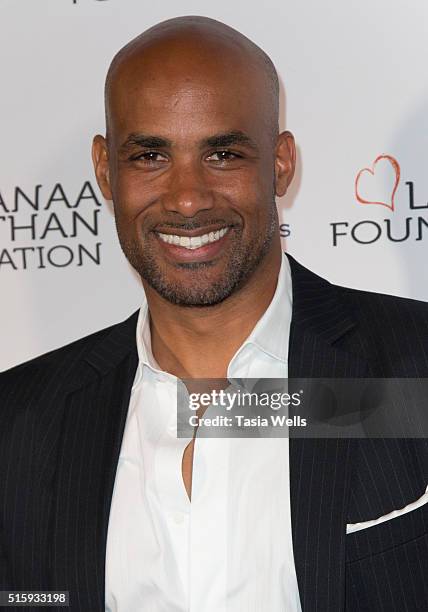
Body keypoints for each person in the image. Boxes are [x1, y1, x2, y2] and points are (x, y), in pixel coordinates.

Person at [1, 15, 427, 612]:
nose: (187, 197)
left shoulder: (412, 369)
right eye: (150, 155)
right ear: (104, 170)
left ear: (280, 163)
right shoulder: (20, 425)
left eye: (222, 153)